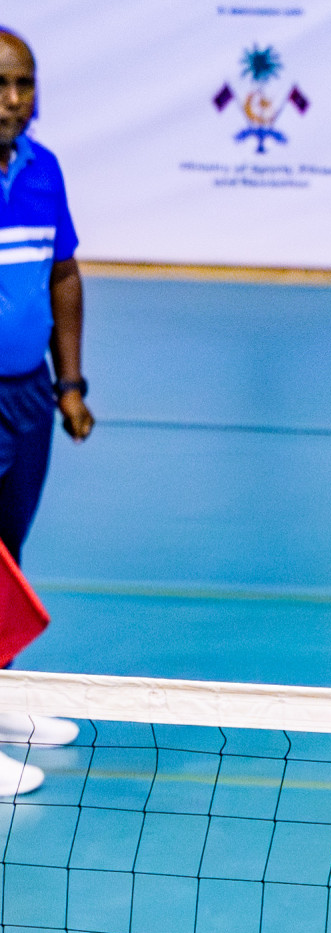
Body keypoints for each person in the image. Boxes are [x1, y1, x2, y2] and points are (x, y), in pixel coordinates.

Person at [0, 27, 94, 788]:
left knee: (9, 555)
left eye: (25, 84)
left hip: (27, 394)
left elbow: (63, 276)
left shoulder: (44, 169)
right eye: (1, 85)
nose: (14, 100)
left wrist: (70, 386)